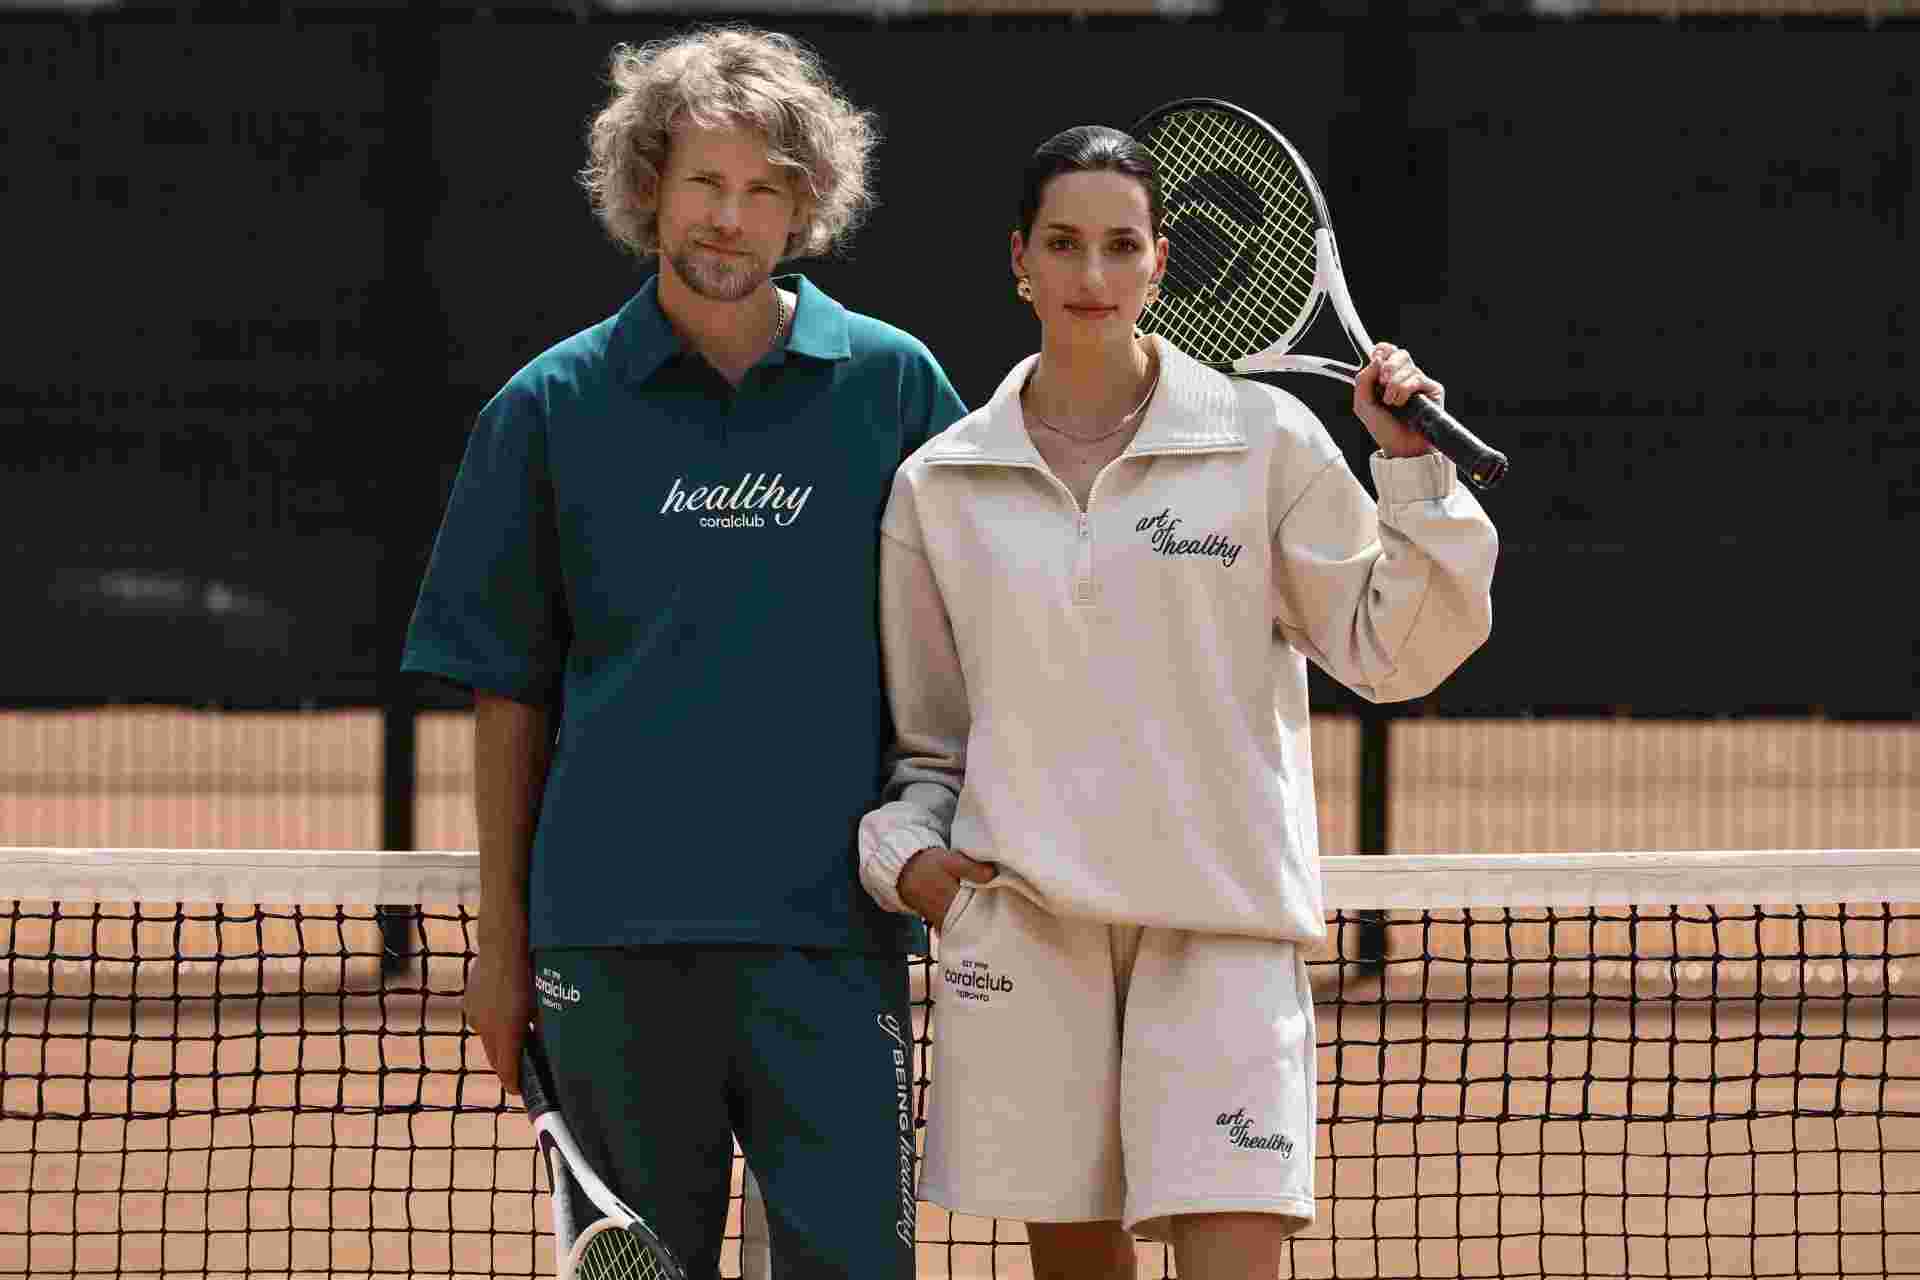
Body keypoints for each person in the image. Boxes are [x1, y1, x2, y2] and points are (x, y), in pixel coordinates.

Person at [857, 125, 1497, 1280]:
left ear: (1160, 262)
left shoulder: (1266, 440)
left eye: (1121, 245)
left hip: (1224, 940)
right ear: (1019, 259)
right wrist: (911, 861)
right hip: (1031, 938)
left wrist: (1413, 470)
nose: (1092, 274)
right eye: (1064, 244)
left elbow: (1390, 652)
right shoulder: (938, 485)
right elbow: (929, 744)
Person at [402, 28, 966, 1279]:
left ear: (805, 206)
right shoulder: (546, 407)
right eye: (705, 181)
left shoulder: (896, 387)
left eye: (766, 188)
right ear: (649, 184)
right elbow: (510, 696)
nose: (729, 216)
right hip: (609, 948)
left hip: (833, 946)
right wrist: (501, 944)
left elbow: (992, 629)